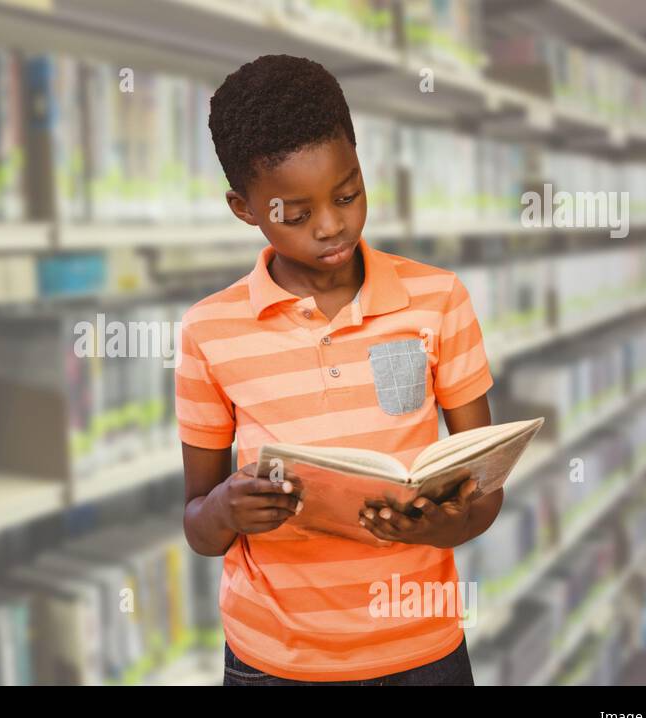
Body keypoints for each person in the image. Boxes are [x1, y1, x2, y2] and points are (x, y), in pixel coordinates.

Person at [177, 54, 502, 686]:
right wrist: (228, 508)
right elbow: (198, 524)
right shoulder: (208, 331)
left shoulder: (439, 299)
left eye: (348, 194)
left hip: (421, 648)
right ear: (244, 208)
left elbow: (483, 492)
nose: (332, 225)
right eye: (295, 215)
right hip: (273, 661)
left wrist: (447, 523)